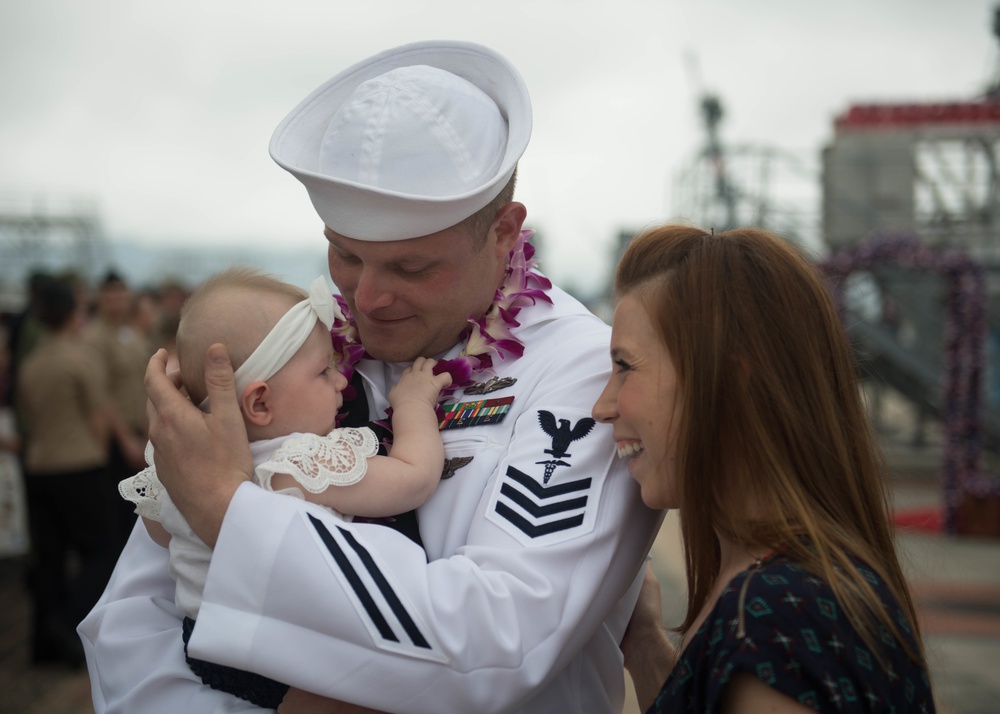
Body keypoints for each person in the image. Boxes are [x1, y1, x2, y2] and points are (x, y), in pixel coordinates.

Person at [79, 40, 663, 713]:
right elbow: (136, 613)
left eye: (413, 268)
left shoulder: (577, 373)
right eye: (345, 255)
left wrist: (232, 514)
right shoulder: (291, 355)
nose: (366, 299)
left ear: (504, 231)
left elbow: (495, 642)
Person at [593, 225, 936, 713]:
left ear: (730, 384)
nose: (601, 406)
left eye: (624, 366)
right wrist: (646, 647)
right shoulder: (777, 588)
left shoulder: (776, 618)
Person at [118, 266, 451, 709]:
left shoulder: (180, 468)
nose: (340, 380)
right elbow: (414, 477)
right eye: (322, 372)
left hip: (206, 644)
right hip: (284, 649)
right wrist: (412, 405)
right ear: (259, 402)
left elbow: (161, 536)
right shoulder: (296, 462)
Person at [17, 275, 116, 667]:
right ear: (75, 313)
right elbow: (98, 416)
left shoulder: (32, 362)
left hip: (39, 465)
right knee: (101, 552)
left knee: (50, 559)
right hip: (78, 464)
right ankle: (67, 622)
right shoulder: (79, 357)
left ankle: (43, 646)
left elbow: (29, 416)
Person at [83, 270, 150, 551]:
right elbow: (102, 395)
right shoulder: (94, 337)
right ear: (100, 297)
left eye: (121, 293)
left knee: (141, 509)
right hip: (114, 437)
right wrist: (126, 440)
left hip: (139, 428)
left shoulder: (131, 332)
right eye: (110, 294)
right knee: (120, 513)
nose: (117, 300)